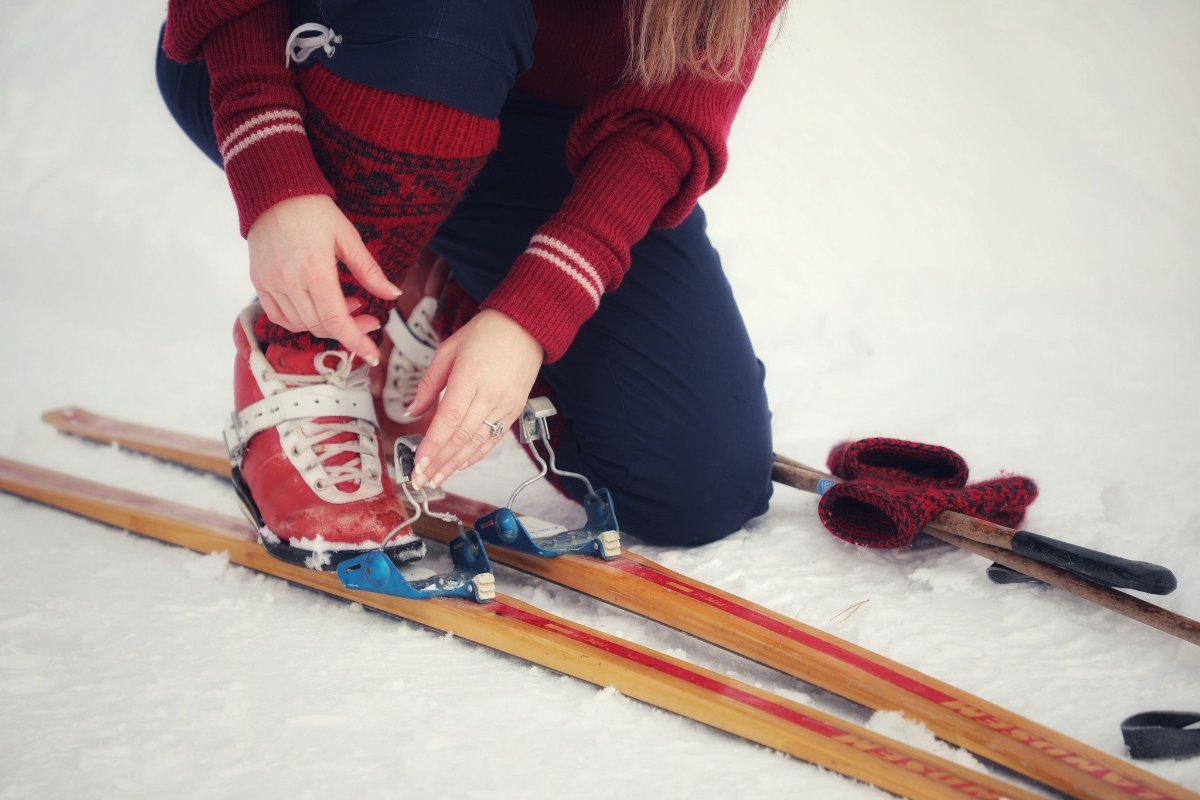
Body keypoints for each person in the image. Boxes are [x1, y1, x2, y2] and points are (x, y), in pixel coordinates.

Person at [157, 0, 781, 570]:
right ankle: (297, 347)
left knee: (700, 484)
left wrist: (531, 314)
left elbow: (668, 122)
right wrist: (270, 164)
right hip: (325, 63)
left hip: (555, 138)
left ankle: (444, 291)